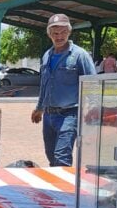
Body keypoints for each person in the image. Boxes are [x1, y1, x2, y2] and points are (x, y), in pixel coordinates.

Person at [31, 13, 97, 167]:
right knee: (51, 155)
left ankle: (63, 191)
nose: (59, 36)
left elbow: (92, 83)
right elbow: (45, 85)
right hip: (49, 115)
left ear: (69, 32)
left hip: (70, 115)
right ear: (49, 35)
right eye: (55, 33)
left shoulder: (80, 55)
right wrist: (39, 108)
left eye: (63, 32)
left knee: (62, 157)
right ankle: (56, 188)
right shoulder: (47, 55)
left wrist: (94, 109)